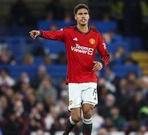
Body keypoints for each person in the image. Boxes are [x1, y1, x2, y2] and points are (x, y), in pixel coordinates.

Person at [29, 3, 110, 135]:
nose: (83, 16)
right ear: (76, 17)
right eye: (80, 14)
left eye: (85, 14)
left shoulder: (96, 35)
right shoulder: (69, 32)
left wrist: (101, 63)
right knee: (76, 117)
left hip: (89, 78)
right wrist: (40, 33)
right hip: (74, 80)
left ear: (89, 16)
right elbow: (54, 34)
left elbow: (106, 55)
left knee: (88, 110)